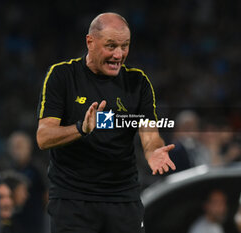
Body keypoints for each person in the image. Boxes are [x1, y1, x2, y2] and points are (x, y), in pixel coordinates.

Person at [36, 12, 176, 233]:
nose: (119, 54)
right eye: (111, 46)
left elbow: (149, 134)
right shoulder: (62, 76)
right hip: (73, 201)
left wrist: (153, 151)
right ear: (90, 42)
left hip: (123, 200)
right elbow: (44, 137)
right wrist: (81, 128)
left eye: (125, 46)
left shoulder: (137, 82)